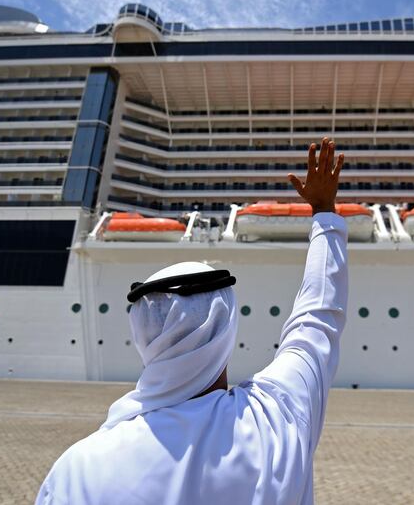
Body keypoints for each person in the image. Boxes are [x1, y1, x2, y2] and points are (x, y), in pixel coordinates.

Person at [35, 138, 347, 505]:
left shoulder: (77, 470)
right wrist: (324, 213)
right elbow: (315, 320)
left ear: (143, 337)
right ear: (226, 332)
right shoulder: (275, 418)